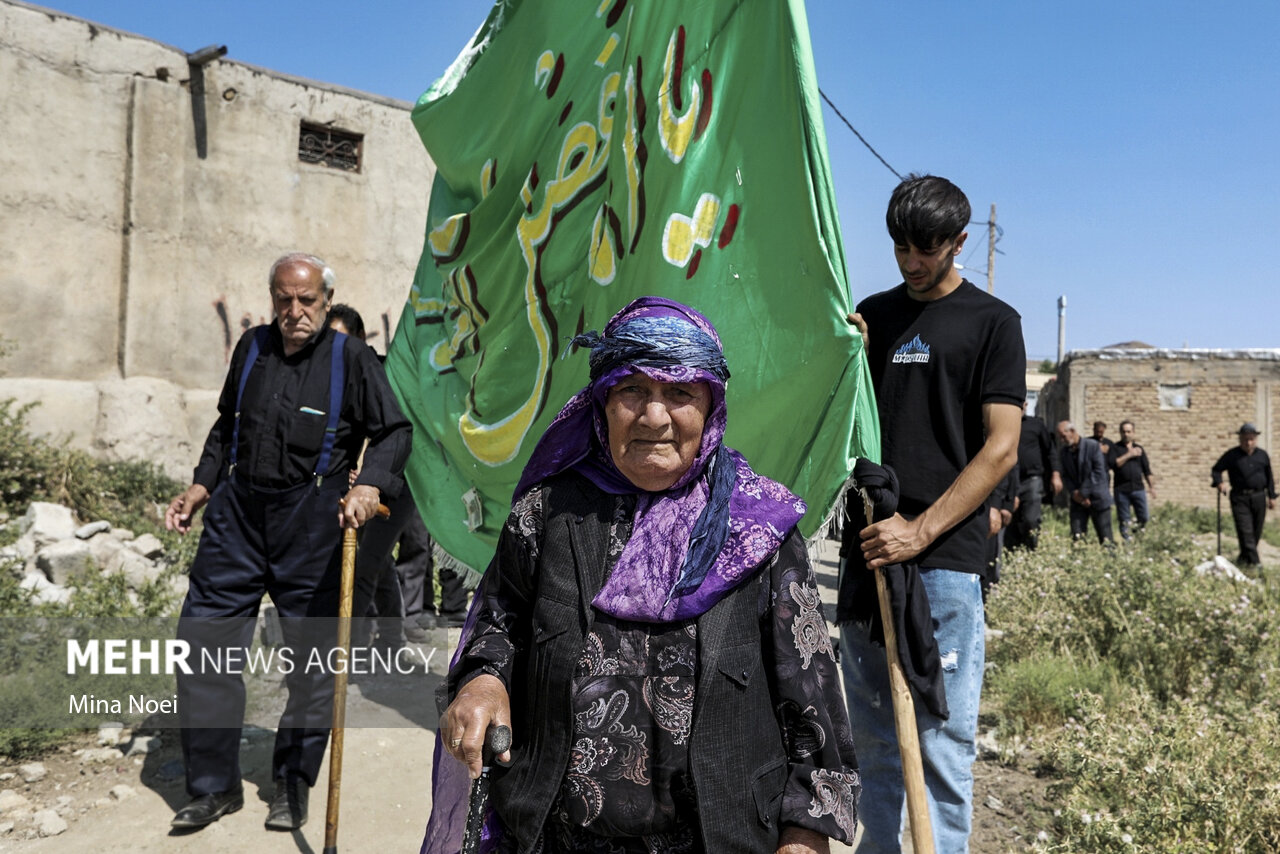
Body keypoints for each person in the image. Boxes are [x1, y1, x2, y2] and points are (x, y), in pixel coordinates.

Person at [429, 297, 859, 854]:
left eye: (679, 393)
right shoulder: (549, 512)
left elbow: (811, 691)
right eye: (632, 390)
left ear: (710, 407)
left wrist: (806, 830)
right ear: (602, 402)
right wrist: (484, 680)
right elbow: (500, 619)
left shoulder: (760, 530)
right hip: (555, 837)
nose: (654, 417)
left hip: (717, 838)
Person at [164, 254, 411, 832]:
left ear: (326, 302)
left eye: (307, 301)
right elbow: (227, 426)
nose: (294, 312)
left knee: (314, 663)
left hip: (314, 524)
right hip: (238, 518)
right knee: (203, 643)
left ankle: (292, 784)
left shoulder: (351, 359)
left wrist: (370, 483)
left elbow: (395, 430)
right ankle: (212, 787)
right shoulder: (251, 347)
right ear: (273, 298)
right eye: (284, 299)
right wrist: (202, 484)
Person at [841, 174, 1024, 853]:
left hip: (943, 562)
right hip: (870, 555)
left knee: (941, 750)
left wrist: (920, 529)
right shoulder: (874, 317)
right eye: (900, 249)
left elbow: (1001, 448)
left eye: (928, 249)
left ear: (960, 243)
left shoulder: (993, 325)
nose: (913, 263)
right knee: (877, 750)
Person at [1211, 423, 1276, 566]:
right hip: (1240, 498)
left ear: (1255, 439)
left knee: (1255, 532)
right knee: (1245, 531)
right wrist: (1219, 483)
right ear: (1240, 439)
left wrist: (1271, 496)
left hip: (1259, 497)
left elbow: (1269, 476)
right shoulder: (1232, 455)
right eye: (1245, 439)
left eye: (1251, 439)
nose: (1248, 442)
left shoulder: (1262, 455)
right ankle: (1256, 564)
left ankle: (1243, 560)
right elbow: (1216, 470)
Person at [1007, 400, 1059, 550]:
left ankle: (1031, 550)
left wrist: (1055, 474)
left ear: (1026, 404)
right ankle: (1014, 553)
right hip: (1009, 480)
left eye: (1021, 403)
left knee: (1030, 519)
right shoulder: (1005, 425)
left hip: (1032, 479)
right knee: (1011, 520)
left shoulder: (1036, 425)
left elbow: (1050, 450)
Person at [1056, 420, 1114, 544]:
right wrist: (1075, 494)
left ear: (1072, 431)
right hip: (1077, 501)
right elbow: (1065, 476)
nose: (1062, 440)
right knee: (1077, 537)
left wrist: (1083, 493)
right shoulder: (1064, 452)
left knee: (1106, 539)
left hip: (1098, 498)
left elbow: (1098, 472)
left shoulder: (1092, 446)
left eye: (1063, 436)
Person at [1107, 419, 1155, 540]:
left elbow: (1147, 470)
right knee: (1124, 519)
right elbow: (1115, 464)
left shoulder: (1140, 449)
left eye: (1128, 431)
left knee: (1144, 517)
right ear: (1120, 433)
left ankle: (1138, 537)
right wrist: (1130, 454)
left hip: (1138, 489)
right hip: (1121, 490)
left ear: (1133, 432)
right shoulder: (1115, 448)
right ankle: (1128, 545)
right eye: (1123, 432)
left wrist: (1152, 487)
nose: (1126, 434)